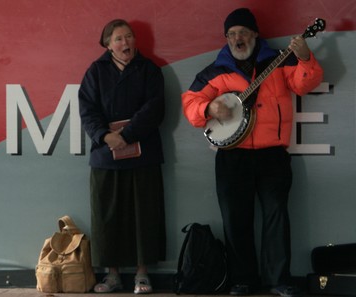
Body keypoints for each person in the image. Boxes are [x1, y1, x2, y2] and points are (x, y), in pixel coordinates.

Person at [182, 8, 323, 297]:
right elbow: (190, 104)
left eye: (243, 32)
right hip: (232, 156)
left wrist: (306, 57)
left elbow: (305, 83)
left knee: (276, 216)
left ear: (255, 34)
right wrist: (208, 108)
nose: (238, 39)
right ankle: (243, 279)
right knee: (236, 219)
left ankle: (279, 279)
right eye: (232, 34)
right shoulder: (215, 71)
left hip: (273, 154)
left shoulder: (278, 60)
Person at [78, 19, 166, 294]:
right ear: (107, 44)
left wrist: (126, 135)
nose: (125, 43)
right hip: (106, 154)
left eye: (129, 37)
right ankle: (112, 275)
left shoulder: (149, 69)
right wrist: (106, 136)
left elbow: (155, 108)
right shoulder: (95, 71)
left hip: (143, 152)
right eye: (118, 39)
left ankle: (143, 274)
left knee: (145, 214)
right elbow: (87, 110)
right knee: (108, 215)